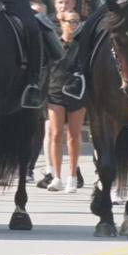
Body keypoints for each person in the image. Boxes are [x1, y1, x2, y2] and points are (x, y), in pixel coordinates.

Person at [45, 11, 86, 193]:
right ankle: (56, 176)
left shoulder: (82, 45)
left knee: (74, 135)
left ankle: (73, 176)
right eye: (70, 21)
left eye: (77, 21)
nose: (74, 25)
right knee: (55, 134)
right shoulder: (54, 44)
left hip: (77, 93)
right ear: (61, 23)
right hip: (55, 91)